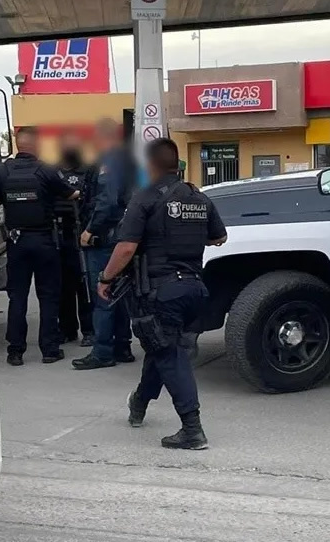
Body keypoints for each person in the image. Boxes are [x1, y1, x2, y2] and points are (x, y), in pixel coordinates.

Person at [97, 138, 226, 450]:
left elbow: (126, 247)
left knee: (169, 354)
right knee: (161, 346)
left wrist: (105, 278)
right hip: (195, 289)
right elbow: (219, 237)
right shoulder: (199, 197)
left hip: (161, 292)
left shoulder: (145, 198)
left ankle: (192, 429)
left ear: (150, 165)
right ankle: (139, 403)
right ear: (176, 163)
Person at [0, 127, 79, 367]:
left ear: (17, 144)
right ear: (36, 145)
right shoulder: (46, 170)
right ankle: (50, 350)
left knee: (18, 298)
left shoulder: (1, 171)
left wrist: (9, 198)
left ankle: (15, 352)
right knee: (48, 296)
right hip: (45, 241)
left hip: (17, 242)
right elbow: (71, 194)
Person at [72, 119, 135, 370]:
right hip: (118, 236)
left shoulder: (109, 162)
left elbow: (107, 201)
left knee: (102, 293)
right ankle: (122, 347)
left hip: (104, 237)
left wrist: (89, 230)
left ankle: (102, 352)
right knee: (117, 293)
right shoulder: (125, 160)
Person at [55, 131, 95, 347]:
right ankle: (67, 329)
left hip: (81, 233)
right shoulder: (53, 172)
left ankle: (89, 330)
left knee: (84, 284)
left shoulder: (88, 171)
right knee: (63, 286)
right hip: (58, 233)